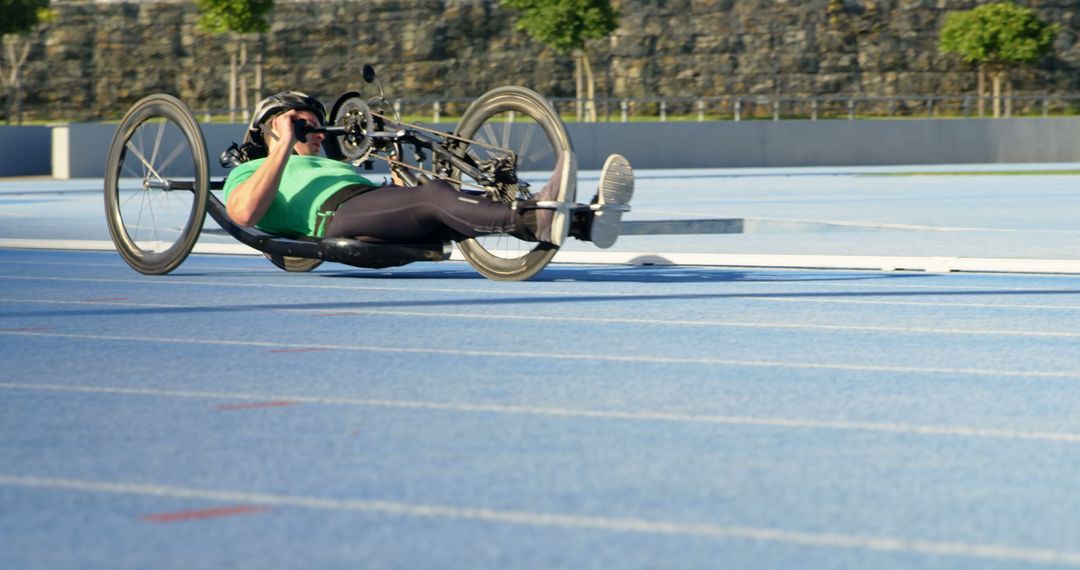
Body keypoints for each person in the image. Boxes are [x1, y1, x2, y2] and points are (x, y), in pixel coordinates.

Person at [222, 91, 633, 250]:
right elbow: (244, 215)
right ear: (271, 126)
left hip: (365, 205)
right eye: (300, 122)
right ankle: (540, 214)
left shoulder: (328, 164)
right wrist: (278, 148)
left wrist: (400, 174)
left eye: (315, 124)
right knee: (435, 197)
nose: (313, 130)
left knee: (447, 203)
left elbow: (397, 202)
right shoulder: (252, 170)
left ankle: (582, 222)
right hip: (334, 217)